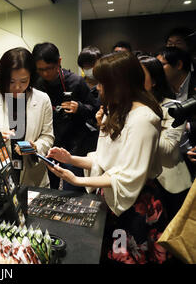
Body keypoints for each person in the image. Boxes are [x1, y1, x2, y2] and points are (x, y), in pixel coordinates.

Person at [46, 52, 171, 264]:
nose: (99, 88)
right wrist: (70, 159)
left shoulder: (143, 119)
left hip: (134, 205)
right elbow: (104, 161)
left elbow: (127, 176)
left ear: (120, 83)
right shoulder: (114, 110)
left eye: (103, 83)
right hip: (112, 200)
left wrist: (77, 180)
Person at [0, 47, 54, 187]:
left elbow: (48, 136)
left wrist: (36, 146)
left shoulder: (42, 99)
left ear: (31, 77)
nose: (17, 87)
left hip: (33, 175)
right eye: (11, 82)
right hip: (0, 175)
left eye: (23, 81)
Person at [33, 42, 99, 191]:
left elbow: (95, 110)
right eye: (40, 70)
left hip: (75, 144)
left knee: (73, 188)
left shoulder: (76, 81)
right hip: (49, 142)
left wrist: (79, 107)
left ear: (59, 62)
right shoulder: (36, 84)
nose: (45, 74)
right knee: (51, 187)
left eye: (49, 69)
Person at [138, 55, 192, 219]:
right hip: (139, 183)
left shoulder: (173, 108)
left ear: (154, 81)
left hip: (169, 184)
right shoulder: (129, 107)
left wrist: (143, 125)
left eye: (139, 76)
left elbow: (168, 149)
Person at [157, 46, 196, 176]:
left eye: (161, 65)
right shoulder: (162, 88)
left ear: (178, 65)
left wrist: (188, 126)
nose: (157, 69)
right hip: (174, 160)